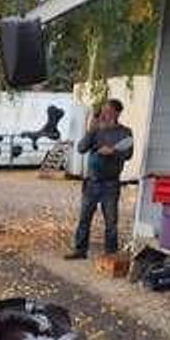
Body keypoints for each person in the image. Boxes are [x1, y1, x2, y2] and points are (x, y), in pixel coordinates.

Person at [65, 98, 133, 259]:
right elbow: (81, 148)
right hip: (92, 182)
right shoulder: (96, 131)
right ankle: (80, 250)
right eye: (104, 111)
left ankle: (111, 254)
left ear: (117, 113)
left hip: (111, 183)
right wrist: (91, 130)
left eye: (109, 111)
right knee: (84, 219)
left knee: (111, 222)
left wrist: (113, 152)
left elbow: (129, 154)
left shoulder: (125, 132)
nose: (105, 114)